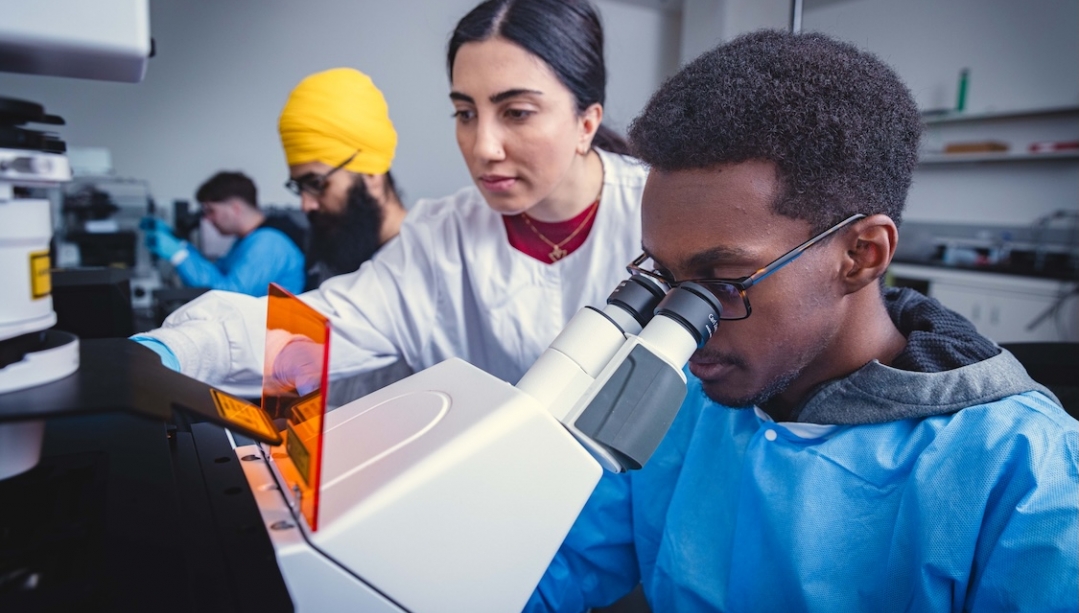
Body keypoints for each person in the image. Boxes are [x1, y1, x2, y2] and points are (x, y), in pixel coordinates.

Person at [526, 30, 1079, 612]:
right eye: (663, 275)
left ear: (862, 255)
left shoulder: (1026, 477)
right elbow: (547, 565)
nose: (679, 320)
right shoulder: (677, 401)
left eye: (721, 278)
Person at [135, 0, 649, 402]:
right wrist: (178, 350)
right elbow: (321, 324)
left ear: (587, 121)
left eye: (515, 112)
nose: (482, 148)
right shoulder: (439, 239)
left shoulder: (660, 217)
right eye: (465, 113)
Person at [279, 68, 408, 290]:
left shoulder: (429, 266)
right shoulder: (341, 257)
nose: (305, 205)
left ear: (370, 173)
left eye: (316, 184)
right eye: (299, 187)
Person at [141, 171, 304, 296]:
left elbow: (229, 296)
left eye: (211, 211)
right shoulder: (247, 240)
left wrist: (179, 256)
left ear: (235, 208)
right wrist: (180, 244)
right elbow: (216, 274)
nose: (207, 219)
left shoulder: (268, 243)